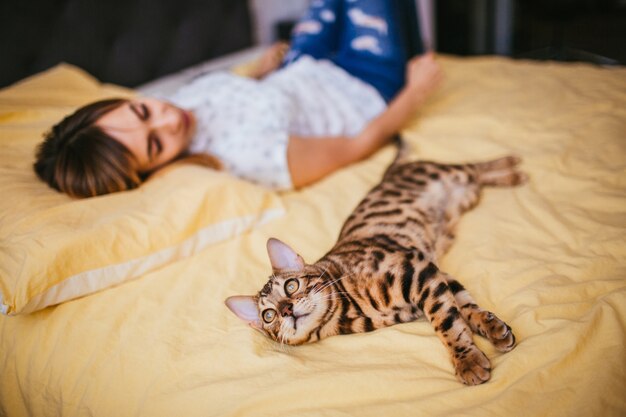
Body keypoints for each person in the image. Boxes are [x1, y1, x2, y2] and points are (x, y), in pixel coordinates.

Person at [34, 0, 443, 198]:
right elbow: (356, 146)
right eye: (155, 145)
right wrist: (414, 91)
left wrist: (260, 73)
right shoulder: (249, 157)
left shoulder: (178, 101)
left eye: (143, 110)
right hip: (363, 84)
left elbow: (227, 97)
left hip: (302, 67)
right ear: (152, 173)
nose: (169, 119)